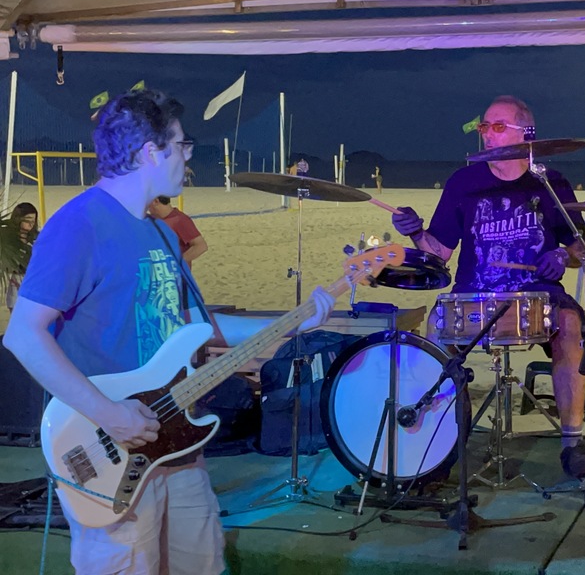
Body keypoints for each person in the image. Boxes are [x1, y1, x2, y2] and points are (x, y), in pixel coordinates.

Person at [3, 89, 336, 575]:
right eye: (182, 144)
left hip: (177, 443)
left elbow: (192, 326)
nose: (188, 155)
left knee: (201, 564)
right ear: (150, 152)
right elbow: (23, 335)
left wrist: (290, 324)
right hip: (111, 446)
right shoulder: (78, 225)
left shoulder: (158, 229)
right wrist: (109, 414)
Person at [391, 95, 585, 478]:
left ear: (526, 133)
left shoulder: (550, 183)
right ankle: (435, 441)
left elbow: (584, 247)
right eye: (484, 126)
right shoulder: (463, 182)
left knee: (570, 324)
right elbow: (438, 252)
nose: (487, 134)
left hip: (538, 295)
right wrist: (415, 233)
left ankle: (572, 443)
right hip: (475, 294)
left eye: (498, 126)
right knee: (436, 327)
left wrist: (562, 256)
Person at [148, 195, 208, 268]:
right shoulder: (151, 219)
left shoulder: (180, 220)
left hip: (174, 273)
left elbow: (201, 246)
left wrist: (177, 262)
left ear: (156, 201)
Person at [4, 202, 38, 311]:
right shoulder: (7, 237)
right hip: (14, 281)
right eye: (28, 220)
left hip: (33, 282)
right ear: (18, 219)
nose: (31, 224)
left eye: (33, 220)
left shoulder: (36, 237)